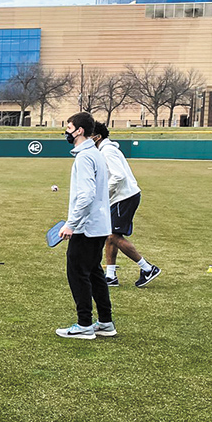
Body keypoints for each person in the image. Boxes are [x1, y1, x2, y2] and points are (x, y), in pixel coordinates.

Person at [56, 112, 114, 339]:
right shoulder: (95, 153)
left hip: (86, 227)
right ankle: (105, 322)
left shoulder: (85, 157)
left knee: (77, 273)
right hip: (98, 226)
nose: (67, 131)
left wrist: (71, 224)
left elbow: (87, 195)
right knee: (94, 273)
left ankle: (84, 325)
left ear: (79, 130)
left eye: (69, 127)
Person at [92, 122, 160, 288]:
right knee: (109, 234)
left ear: (98, 137)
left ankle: (147, 268)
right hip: (121, 197)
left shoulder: (107, 151)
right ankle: (110, 276)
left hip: (124, 197)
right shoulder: (104, 150)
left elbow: (119, 176)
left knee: (113, 236)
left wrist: (104, 196)